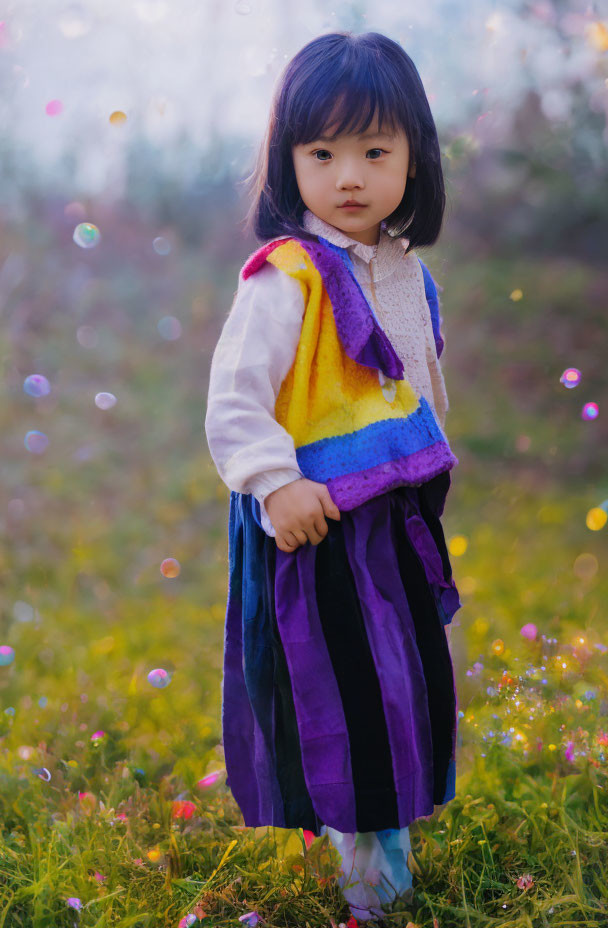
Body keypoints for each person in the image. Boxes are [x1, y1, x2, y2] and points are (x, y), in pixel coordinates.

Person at [204, 30, 462, 924]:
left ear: (413, 161)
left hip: (386, 527)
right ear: (289, 162)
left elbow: (413, 386)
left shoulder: (404, 273)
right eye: (323, 153)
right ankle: (371, 884)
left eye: (374, 151)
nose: (348, 175)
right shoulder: (287, 279)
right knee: (348, 696)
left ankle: (389, 842)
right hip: (313, 528)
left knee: (403, 682)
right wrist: (275, 482)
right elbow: (235, 403)